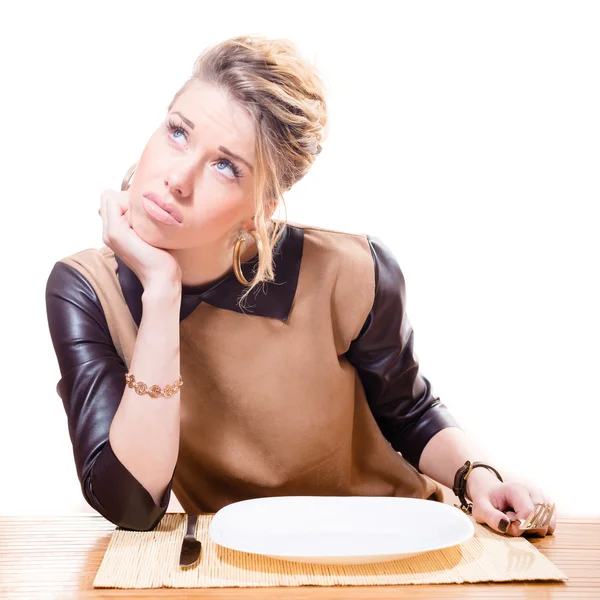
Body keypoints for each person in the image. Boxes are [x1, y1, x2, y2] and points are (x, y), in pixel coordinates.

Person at [45, 34, 556, 536]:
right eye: (178, 132)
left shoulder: (353, 272)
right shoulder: (87, 290)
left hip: (397, 545)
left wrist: (478, 478)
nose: (178, 178)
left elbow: (409, 411)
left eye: (225, 166)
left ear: (260, 210)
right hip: (242, 564)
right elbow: (131, 505)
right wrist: (160, 291)